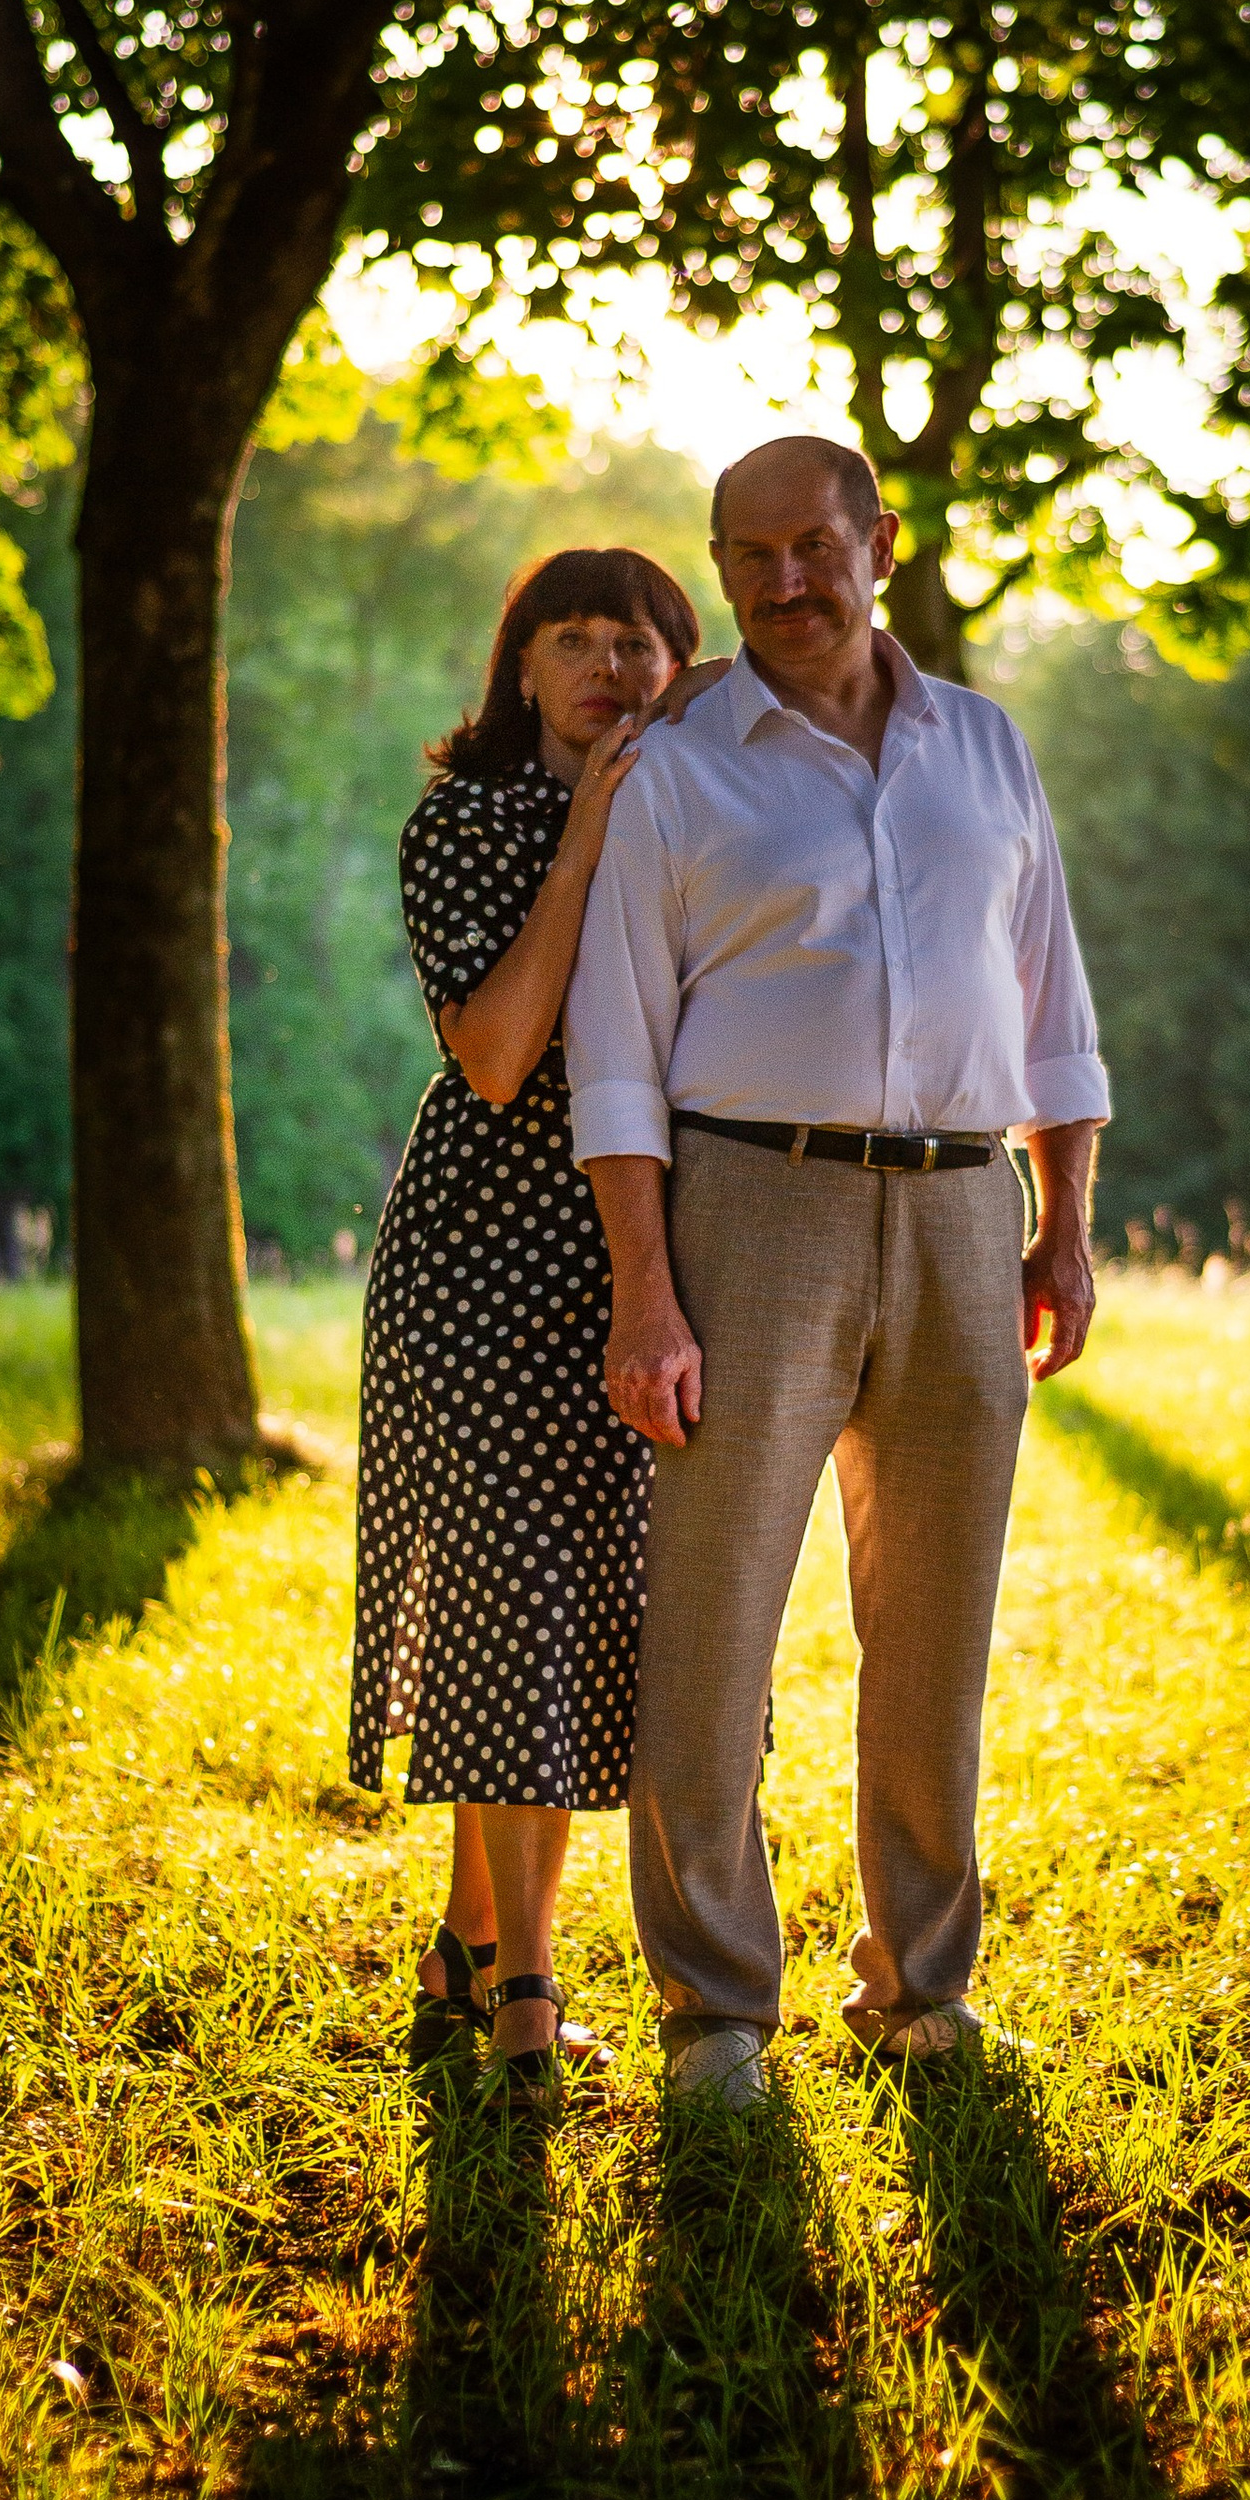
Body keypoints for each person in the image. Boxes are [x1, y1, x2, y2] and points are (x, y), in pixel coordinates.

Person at [563, 438, 1109, 2110]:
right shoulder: (677, 770)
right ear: (721, 570)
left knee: (938, 1635)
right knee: (712, 1625)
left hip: (961, 1219)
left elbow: (1052, 1013)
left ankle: (922, 1985)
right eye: (751, 557)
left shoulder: (990, 750)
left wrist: (1064, 1221)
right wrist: (646, 1294)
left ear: (880, 542)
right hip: (751, 1212)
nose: (787, 583)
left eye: (815, 547)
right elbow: (616, 1057)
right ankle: (716, 2011)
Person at [349, 544, 715, 2097]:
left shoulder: (703, 817)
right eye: (573, 640)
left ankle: (460, 1944)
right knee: (514, 1614)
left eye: (639, 642)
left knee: (562, 1618)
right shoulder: (472, 823)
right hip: (485, 1260)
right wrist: (584, 836)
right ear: (521, 673)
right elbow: (497, 1054)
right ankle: (526, 1990)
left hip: (641, 1258)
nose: (609, 668)